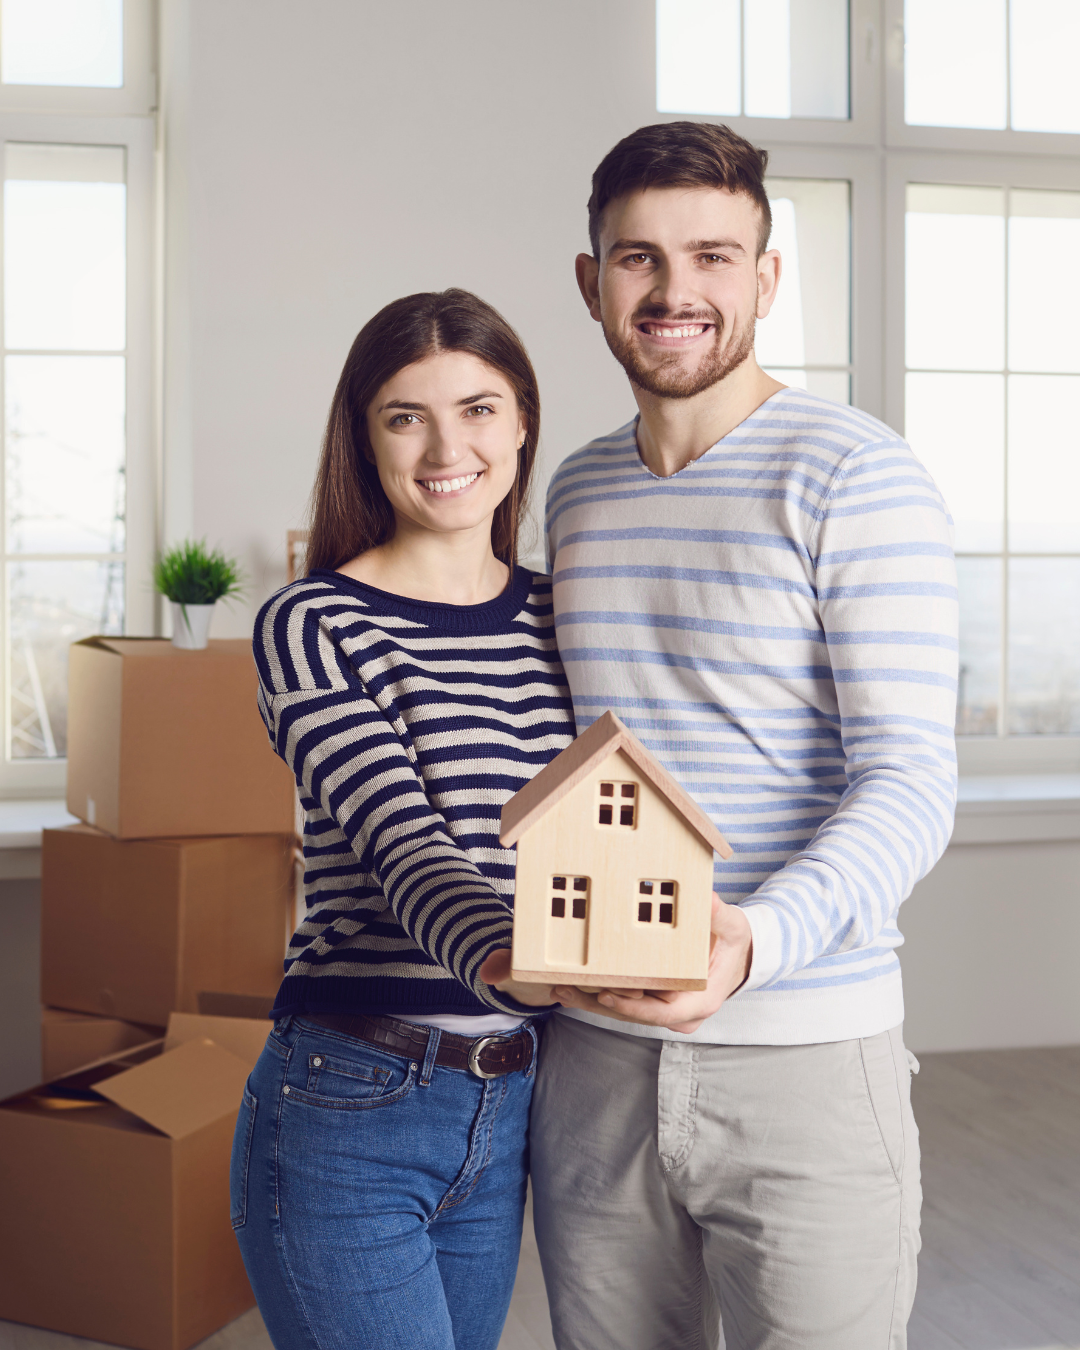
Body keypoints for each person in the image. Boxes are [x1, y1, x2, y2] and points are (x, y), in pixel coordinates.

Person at [530, 121, 957, 1349]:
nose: (675, 292)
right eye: (639, 259)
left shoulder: (854, 475)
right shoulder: (577, 489)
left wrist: (756, 941)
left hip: (806, 1050)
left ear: (766, 280)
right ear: (591, 279)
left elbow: (911, 777)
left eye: (714, 257)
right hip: (595, 1059)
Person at [231, 288, 572, 1350]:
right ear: (363, 437)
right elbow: (400, 841)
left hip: (515, 1097)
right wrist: (510, 956)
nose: (445, 446)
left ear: (521, 421)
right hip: (350, 1099)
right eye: (404, 416)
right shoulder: (312, 621)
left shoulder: (567, 615)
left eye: (478, 408)